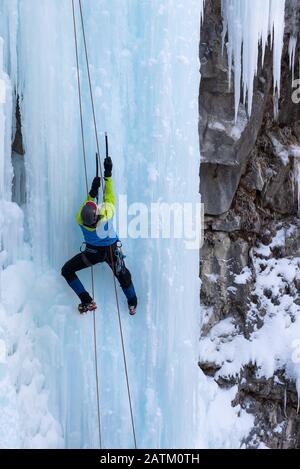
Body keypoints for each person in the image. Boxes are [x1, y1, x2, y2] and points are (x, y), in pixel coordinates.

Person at [62, 156, 137, 315]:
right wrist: (107, 176)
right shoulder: (107, 215)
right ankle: (132, 303)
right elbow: (109, 197)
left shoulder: (80, 220)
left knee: (67, 270)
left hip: (92, 254)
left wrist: (92, 192)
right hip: (111, 252)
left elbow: (86, 206)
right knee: (123, 275)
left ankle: (87, 300)